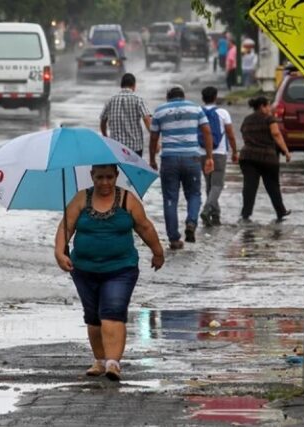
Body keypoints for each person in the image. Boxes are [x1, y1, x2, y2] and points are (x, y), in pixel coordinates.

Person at [54, 164, 164, 381]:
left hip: (121, 269)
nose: (105, 182)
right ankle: (100, 360)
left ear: (116, 176)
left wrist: (157, 252)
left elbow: (144, 227)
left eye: (109, 177)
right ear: (91, 176)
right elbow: (65, 228)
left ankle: (113, 363)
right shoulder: (80, 199)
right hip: (84, 270)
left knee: (112, 310)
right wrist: (59, 252)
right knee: (93, 317)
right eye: (100, 177)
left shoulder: (127, 199)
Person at [149, 85, 215, 250]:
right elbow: (207, 131)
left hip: (169, 159)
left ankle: (174, 239)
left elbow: (153, 137)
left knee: (170, 198)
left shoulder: (160, 111)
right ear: (183, 96)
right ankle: (191, 222)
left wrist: (152, 159)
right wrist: (209, 156)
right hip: (191, 158)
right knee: (194, 194)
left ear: (168, 97)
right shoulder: (195, 108)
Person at [239, 97, 292, 222]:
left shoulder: (247, 119)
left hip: (248, 157)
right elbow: (276, 134)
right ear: (262, 107)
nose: (270, 108)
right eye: (268, 106)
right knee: (272, 185)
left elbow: (243, 133)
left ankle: (246, 213)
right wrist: (285, 151)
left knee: (249, 186)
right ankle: (280, 211)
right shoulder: (269, 119)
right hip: (267, 158)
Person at [198, 86, 238, 227]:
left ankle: (215, 216)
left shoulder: (199, 112)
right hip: (219, 153)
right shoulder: (223, 113)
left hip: (203, 153)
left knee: (209, 185)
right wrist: (235, 151)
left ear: (203, 98)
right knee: (217, 185)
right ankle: (207, 209)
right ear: (215, 97)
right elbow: (231, 135)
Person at [100, 73, 152, 157]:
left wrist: (106, 137)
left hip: (116, 148)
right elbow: (147, 120)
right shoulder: (138, 100)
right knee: (135, 170)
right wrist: (155, 141)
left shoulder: (110, 100)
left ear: (121, 85)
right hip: (135, 148)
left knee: (118, 170)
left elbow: (103, 121)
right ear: (134, 85)